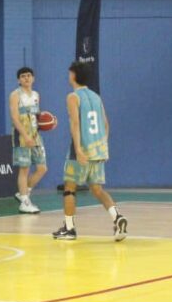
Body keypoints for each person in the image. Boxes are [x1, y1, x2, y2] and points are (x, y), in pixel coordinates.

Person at [53, 61, 127, 242]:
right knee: (98, 189)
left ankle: (69, 229)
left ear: (73, 75)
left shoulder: (73, 97)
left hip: (82, 150)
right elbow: (106, 124)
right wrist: (102, 146)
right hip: (99, 150)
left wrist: (78, 149)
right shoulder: (96, 97)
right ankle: (117, 217)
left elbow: (75, 124)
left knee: (70, 188)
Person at [9, 67, 46, 214]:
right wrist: (25, 135)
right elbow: (15, 118)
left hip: (36, 136)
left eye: (29, 75)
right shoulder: (15, 95)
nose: (26, 78)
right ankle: (24, 202)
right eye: (23, 76)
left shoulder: (36, 95)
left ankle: (23, 193)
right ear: (19, 80)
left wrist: (47, 121)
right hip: (21, 136)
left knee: (42, 168)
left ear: (33, 78)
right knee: (24, 169)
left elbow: (37, 116)